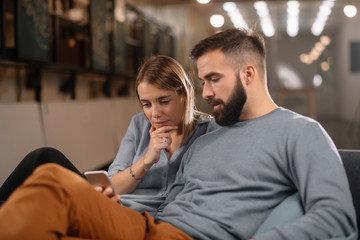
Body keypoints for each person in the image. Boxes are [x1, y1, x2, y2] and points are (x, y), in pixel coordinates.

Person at [0, 28, 357, 240]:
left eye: (213, 79)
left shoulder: (300, 132)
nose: (205, 92)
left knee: (53, 182)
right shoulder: (209, 134)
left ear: (248, 74)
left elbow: (336, 215)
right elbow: (169, 198)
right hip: (148, 226)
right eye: (202, 81)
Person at [0, 55, 219, 215]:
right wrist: (147, 160)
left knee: (41, 194)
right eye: (146, 104)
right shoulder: (139, 125)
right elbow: (111, 183)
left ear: (184, 94)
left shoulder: (208, 132)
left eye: (164, 101)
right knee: (43, 159)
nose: (155, 113)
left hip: (133, 217)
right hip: (109, 204)